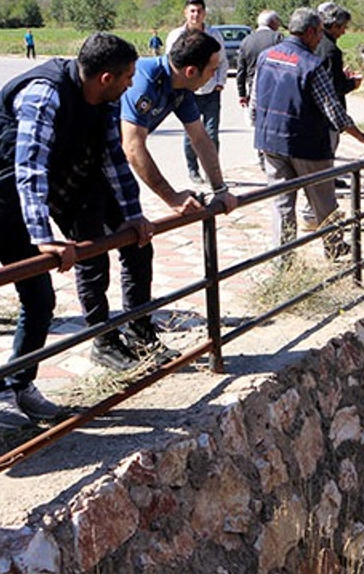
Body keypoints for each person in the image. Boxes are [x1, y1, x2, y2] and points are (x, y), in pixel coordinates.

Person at [0, 33, 153, 426]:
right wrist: (44, 236)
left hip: (11, 201)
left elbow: (114, 159)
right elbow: (30, 166)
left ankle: (20, 383)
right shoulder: (44, 94)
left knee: (39, 297)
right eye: (128, 76)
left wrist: (133, 215)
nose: (133, 83)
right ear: (105, 77)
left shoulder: (102, 103)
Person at [106, 30, 235, 371]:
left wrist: (220, 191)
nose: (214, 76)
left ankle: (138, 332)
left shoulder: (180, 90)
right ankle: (105, 341)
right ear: (191, 71)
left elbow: (200, 138)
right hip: (90, 167)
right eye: (212, 69)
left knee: (138, 246)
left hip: (111, 167)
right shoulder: (147, 79)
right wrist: (171, 196)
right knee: (96, 252)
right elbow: (132, 146)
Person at [254, 7, 364, 258]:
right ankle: (334, 250)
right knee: (324, 202)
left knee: (281, 205)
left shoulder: (267, 56)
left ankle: (284, 261)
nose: (320, 39)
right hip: (307, 147)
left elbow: (256, 103)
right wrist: (363, 137)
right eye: (319, 33)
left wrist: (261, 131)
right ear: (311, 32)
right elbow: (333, 112)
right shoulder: (311, 66)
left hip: (270, 142)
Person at [166, 0, 229, 184]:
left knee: (212, 133)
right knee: (191, 133)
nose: (196, 15)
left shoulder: (214, 34)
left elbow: (223, 61)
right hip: (188, 92)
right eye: (192, 11)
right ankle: (193, 170)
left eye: (199, 11)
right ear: (185, 13)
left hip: (211, 91)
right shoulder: (176, 35)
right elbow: (171, 62)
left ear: (204, 13)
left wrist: (220, 83)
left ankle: (212, 172)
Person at [316, 3, 363, 162]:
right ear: (334, 26)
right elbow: (334, 87)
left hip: (313, 109)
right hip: (327, 114)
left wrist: (341, 74)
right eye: (343, 27)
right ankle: (326, 180)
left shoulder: (316, 41)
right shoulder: (331, 50)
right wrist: (352, 84)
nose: (344, 31)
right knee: (327, 150)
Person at [237, 10, 283, 120]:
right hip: (274, 88)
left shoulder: (246, 41)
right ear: (272, 22)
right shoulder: (277, 39)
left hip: (254, 89)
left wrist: (242, 94)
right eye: (277, 22)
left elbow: (241, 71)